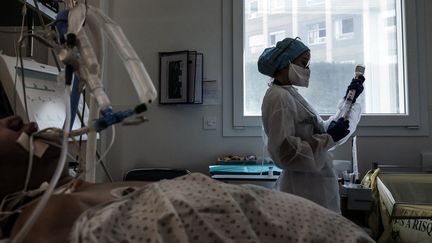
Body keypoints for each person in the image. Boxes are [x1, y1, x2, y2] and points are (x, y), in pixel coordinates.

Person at [258, 37, 364, 213]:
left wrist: (349, 101)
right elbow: (286, 153)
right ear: (286, 62)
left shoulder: (289, 93)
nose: (307, 69)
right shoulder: (279, 98)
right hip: (302, 190)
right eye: (304, 63)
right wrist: (328, 138)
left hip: (313, 186)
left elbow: (319, 130)